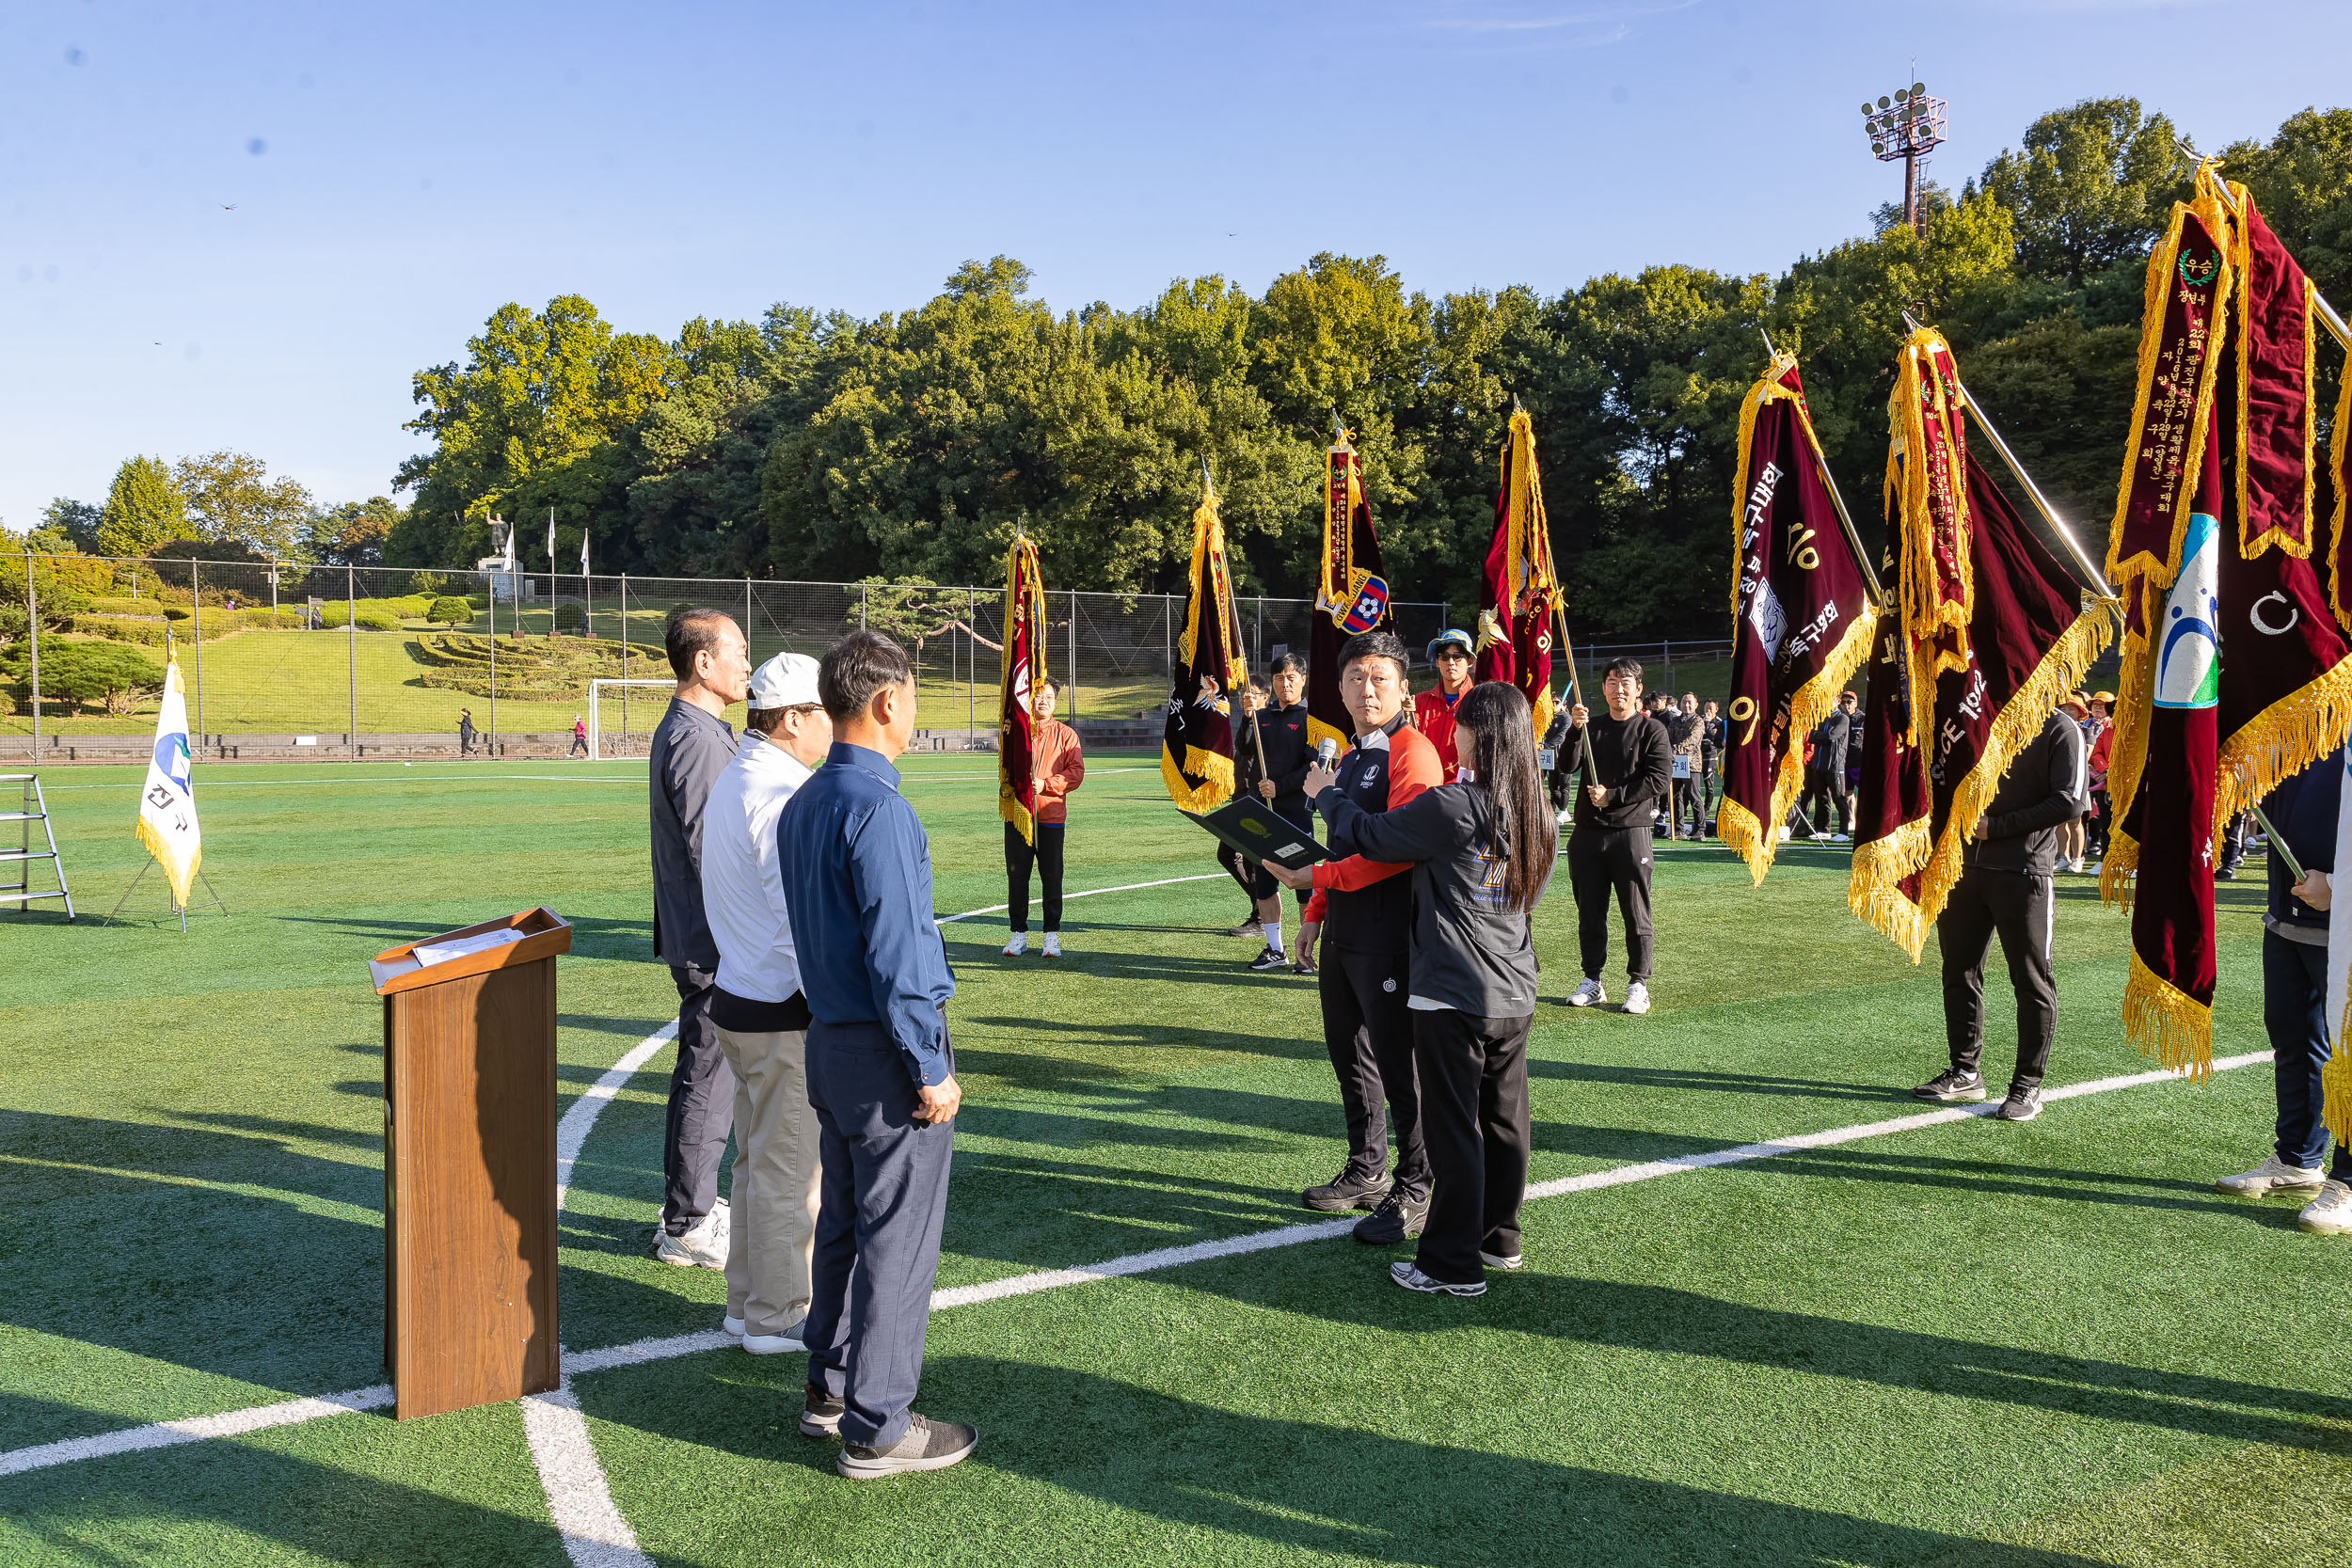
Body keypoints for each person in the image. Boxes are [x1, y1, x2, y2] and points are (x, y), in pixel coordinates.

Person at [777, 629, 975, 1480]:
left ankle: (829, 1386)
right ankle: (879, 1423)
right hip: (883, 1054)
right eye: (915, 696)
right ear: (889, 701)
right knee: (897, 1239)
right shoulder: (879, 809)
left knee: (847, 1228)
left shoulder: (803, 802)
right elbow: (899, 957)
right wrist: (931, 1066)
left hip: (827, 1043)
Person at [1307, 680, 1557, 1296]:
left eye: (1462, 724)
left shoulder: (1456, 804)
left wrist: (1327, 793)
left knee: (1454, 1132)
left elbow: (1372, 835)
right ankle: (1499, 1239)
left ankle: (1449, 1264)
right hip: (1514, 988)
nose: (1454, 732)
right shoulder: (1537, 807)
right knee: (1504, 1123)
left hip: (1455, 991)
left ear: (1480, 734)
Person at [1267, 630, 1444, 1243]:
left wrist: (1316, 876)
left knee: (1401, 1068)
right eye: (1355, 677)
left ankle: (1418, 1186)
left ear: (1402, 687)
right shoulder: (1347, 754)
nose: (1367, 688)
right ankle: (1367, 1171)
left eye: (1379, 677)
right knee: (1352, 1059)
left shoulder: (1413, 752)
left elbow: (1394, 849)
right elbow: (1342, 841)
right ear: (1339, 688)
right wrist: (1315, 908)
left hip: (1393, 934)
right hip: (1345, 932)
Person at [700, 652, 831, 1354]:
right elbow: (797, 923)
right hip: (779, 1009)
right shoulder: (782, 795)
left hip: (738, 999)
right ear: (790, 721)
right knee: (786, 1167)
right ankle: (778, 1314)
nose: (834, 726)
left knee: (755, 1161)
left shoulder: (738, 777)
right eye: (824, 713)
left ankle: (747, 1301)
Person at [1911, 705, 2087, 1120]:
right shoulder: (1978, 714)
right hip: (1961, 868)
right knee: (1959, 971)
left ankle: (2027, 1086)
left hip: (2023, 872)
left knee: (2030, 979)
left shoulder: (2061, 726)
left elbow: (2069, 803)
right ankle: (1965, 1071)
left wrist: (1998, 827)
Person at [648, 608, 752, 1269]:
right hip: (712, 942)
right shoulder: (698, 738)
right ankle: (687, 1220)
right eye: (739, 650)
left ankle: (688, 1207)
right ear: (703, 662)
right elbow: (712, 848)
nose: (748, 662)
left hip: (704, 935)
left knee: (707, 1071)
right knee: (708, 1075)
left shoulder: (698, 729)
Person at [2216, 747, 2352, 1233]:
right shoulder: (2292, 725)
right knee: (2294, 1042)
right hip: (2288, 920)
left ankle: (2348, 1181)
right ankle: (2298, 1159)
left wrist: (2339, 885)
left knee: (2350, 1055)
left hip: (2344, 924)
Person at [1559, 657, 1672, 1013]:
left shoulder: (1651, 731)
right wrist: (1575, 730)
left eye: (1625, 682)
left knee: (1635, 912)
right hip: (1588, 834)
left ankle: (1639, 982)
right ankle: (1592, 980)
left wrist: (1614, 796)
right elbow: (1565, 766)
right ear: (1604, 688)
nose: (1617, 688)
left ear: (1638, 688)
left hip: (1630, 832)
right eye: (1611, 681)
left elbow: (1658, 779)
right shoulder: (1591, 727)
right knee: (1590, 912)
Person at [1241, 654, 1317, 974]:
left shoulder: (1312, 718)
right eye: (1278, 679)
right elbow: (1244, 749)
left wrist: (1280, 787)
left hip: (1295, 811)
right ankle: (1276, 949)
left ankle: (1305, 952)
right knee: (1265, 881)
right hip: (1264, 813)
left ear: (1302, 679)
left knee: (1302, 883)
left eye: (1290, 678)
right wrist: (1247, 718)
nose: (1284, 684)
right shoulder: (1262, 714)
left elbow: (1312, 766)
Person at [1005, 679, 1084, 958]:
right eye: (1038, 696)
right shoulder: (1018, 732)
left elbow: (1076, 772)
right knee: (1017, 876)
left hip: (1050, 816)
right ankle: (1018, 934)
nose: (1043, 701)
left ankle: (1051, 935)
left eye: (1048, 697)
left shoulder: (1066, 735)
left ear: (1055, 702)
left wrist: (1047, 784)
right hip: (1018, 814)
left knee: (1052, 876)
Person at [1220, 680, 1272, 938]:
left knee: (1252, 861)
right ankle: (1262, 909)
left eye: (1252, 694)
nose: (1245, 698)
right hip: (1240, 799)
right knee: (1227, 855)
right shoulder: (1248, 721)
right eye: (1243, 693)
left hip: (1255, 803)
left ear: (1266, 696)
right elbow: (1241, 747)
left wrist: (1252, 718)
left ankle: (1262, 918)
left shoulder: (1268, 722)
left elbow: (1250, 746)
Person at [1413, 629, 1476, 775]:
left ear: (1470, 661)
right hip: (1425, 784)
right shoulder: (1420, 702)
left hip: (1462, 789)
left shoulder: (1477, 702)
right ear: (1437, 662)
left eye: (1457, 656)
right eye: (1445, 657)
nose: (1451, 662)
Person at [1801, 691, 1858, 842]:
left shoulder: (1842, 718)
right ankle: (1823, 830)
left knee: (1839, 799)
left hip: (1835, 766)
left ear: (1837, 702)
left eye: (1829, 701)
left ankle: (1843, 832)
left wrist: (1820, 736)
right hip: (1819, 766)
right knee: (1821, 799)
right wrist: (1821, 737)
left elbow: (1831, 736)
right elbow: (1812, 736)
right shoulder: (1822, 719)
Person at [2056, 693, 2091, 872]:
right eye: (2064, 709)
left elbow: (2087, 755)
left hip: (2078, 779)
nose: (2067, 711)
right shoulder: (2056, 729)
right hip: (2058, 779)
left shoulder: (2086, 731)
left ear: (2079, 712)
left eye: (2071, 709)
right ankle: (2064, 856)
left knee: (2075, 820)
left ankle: (2078, 858)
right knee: (2059, 820)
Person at [2084, 691, 2115, 866]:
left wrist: (2112, 771)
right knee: (2105, 821)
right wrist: (2105, 770)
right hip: (2102, 782)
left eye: (2102, 705)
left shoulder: (2134, 730)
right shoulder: (2107, 730)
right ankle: (2105, 859)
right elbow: (2097, 752)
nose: (2097, 707)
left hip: (2124, 783)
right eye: (2095, 704)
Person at [1665, 694, 1702, 842]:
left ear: (1696, 704)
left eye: (1690, 702)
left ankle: (1700, 829)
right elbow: (1666, 737)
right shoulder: (1675, 720)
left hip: (1691, 764)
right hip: (1675, 763)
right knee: (1675, 797)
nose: (1686, 705)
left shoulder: (1698, 721)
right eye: (1684, 702)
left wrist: (1673, 749)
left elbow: (1692, 740)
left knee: (1694, 796)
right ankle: (1679, 829)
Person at [1695, 698, 1724, 839]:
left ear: (1716, 709)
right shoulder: (1698, 720)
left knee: (1709, 786)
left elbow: (1716, 739)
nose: (1708, 710)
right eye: (1706, 707)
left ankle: (1706, 810)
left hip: (1711, 757)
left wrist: (1707, 724)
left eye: (1711, 707)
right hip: (1697, 756)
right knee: (1694, 785)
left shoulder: (1719, 722)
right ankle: (1697, 810)